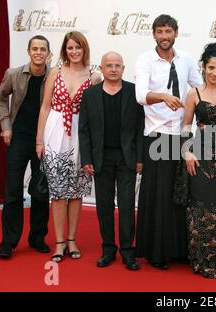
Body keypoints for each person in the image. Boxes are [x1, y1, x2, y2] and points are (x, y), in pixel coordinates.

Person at [134, 14, 203, 270]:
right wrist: (163, 97)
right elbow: (140, 95)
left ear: (176, 33)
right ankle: (157, 252)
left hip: (182, 134)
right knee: (159, 195)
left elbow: (199, 86)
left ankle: (179, 250)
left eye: (168, 31)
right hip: (157, 135)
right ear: (154, 34)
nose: (164, 36)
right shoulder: (145, 60)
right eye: (160, 31)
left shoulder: (186, 59)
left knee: (181, 193)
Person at [36, 31, 101, 262]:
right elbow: (44, 106)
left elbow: (96, 114)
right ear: (65, 50)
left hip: (80, 134)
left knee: (77, 190)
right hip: (55, 131)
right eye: (70, 47)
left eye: (78, 47)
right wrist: (39, 139)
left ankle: (72, 240)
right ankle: (59, 242)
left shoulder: (94, 77)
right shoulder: (55, 72)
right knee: (58, 192)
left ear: (85, 49)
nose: (74, 51)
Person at [79, 52, 144, 270]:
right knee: (104, 206)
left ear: (123, 68)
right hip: (100, 159)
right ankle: (108, 250)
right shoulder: (90, 95)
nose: (113, 69)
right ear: (102, 68)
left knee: (126, 206)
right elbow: (84, 130)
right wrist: (86, 158)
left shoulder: (134, 92)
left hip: (127, 158)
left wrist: (140, 159)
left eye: (117, 65)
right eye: (109, 65)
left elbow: (140, 129)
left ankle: (127, 251)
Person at [181, 43, 216, 278]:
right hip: (200, 156)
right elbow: (185, 126)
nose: (215, 73)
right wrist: (186, 152)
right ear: (203, 67)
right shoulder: (194, 93)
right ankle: (201, 259)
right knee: (200, 208)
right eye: (211, 68)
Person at [0, 35, 51, 259]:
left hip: (43, 141)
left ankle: (37, 238)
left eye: (43, 49)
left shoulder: (54, 76)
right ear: (29, 51)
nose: (38, 53)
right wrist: (6, 127)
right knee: (13, 192)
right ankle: (8, 242)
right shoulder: (14, 74)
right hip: (18, 139)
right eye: (35, 49)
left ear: (48, 52)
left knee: (40, 192)